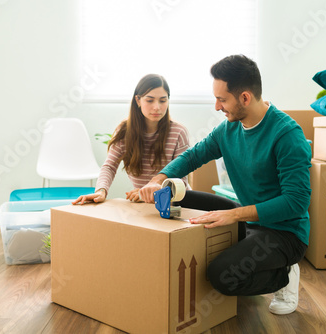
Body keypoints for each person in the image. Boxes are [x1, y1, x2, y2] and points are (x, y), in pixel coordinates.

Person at [139, 55, 311, 315]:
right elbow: (193, 156)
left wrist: (233, 215)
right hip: (248, 218)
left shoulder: (287, 135)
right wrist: (158, 179)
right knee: (176, 194)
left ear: (244, 97)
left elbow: (296, 203)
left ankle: (283, 274)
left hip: (284, 233)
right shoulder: (228, 130)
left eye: (222, 99)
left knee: (222, 276)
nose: (217, 106)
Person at [73, 74, 190, 205]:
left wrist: (150, 192)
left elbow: (181, 181)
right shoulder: (124, 131)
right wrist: (101, 191)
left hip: (176, 203)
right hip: (143, 205)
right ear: (138, 100)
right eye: (150, 100)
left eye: (163, 101)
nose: (157, 107)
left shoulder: (178, 132)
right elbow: (109, 166)